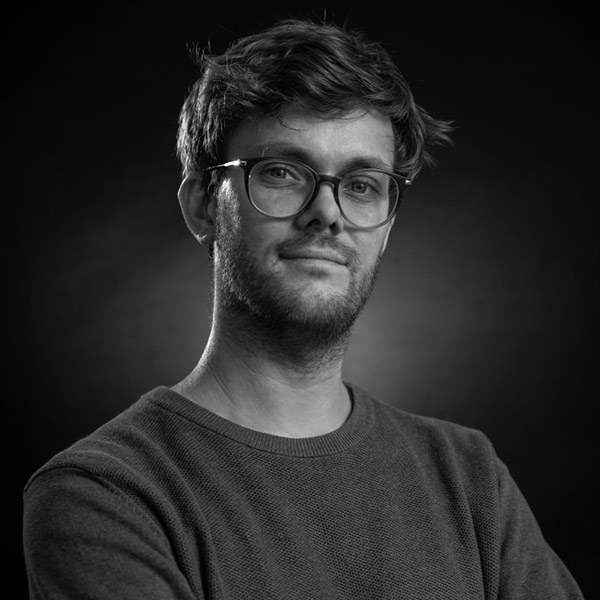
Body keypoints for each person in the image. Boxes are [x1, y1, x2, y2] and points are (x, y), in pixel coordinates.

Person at [23, 18, 583, 600]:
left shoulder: (469, 477)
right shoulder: (106, 493)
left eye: (362, 184)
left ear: (387, 225)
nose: (328, 213)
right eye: (283, 173)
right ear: (203, 207)